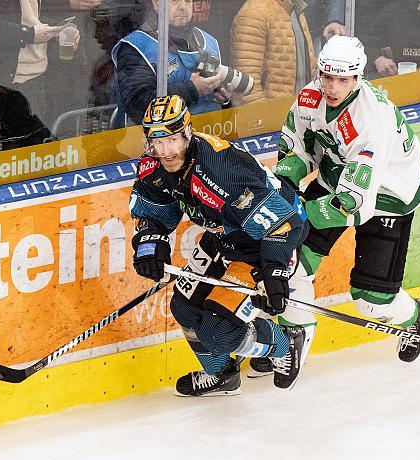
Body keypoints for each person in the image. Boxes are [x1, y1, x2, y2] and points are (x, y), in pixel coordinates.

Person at [250, 35, 420, 377]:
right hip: (338, 175)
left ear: (358, 78)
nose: (332, 87)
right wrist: (287, 186)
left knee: (368, 299)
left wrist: (298, 214)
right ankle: (291, 339)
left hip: (391, 194)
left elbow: (353, 204)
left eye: (343, 79)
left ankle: (413, 314)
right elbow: (297, 150)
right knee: (291, 264)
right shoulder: (310, 96)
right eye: (327, 77)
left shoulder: (369, 119)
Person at [129, 95, 310, 396]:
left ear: (187, 133)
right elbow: (154, 213)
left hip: (263, 242)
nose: (165, 151)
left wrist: (274, 272)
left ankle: (285, 342)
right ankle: (221, 374)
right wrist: (150, 245)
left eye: (172, 140)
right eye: (156, 143)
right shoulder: (154, 165)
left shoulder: (221, 172)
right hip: (223, 238)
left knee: (218, 332)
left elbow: (282, 223)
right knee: (183, 307)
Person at [112, 0, 252, 127]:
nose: (182, 7)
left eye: (187, 1)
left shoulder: (208, 41)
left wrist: (224, 100)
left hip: (210, 138)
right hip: (161, 145)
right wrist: (192, 89)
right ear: (156, 4)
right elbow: (137, 106)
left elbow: (225, 113)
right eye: (174, 1)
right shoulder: (136, 46)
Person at [231, 0, 317, 105]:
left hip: (298, 113)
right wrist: (266, 118)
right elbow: (247, 86)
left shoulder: (295, 8)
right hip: (274, 116)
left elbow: (307, 70)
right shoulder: (254, 13)